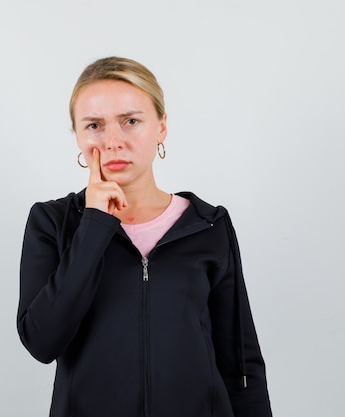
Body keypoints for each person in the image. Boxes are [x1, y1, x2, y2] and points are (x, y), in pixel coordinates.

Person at [17, 56, 272, 417]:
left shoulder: (209, 225)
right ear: (77, 134)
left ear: (161, 128)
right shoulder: (52, 222)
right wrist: (93, 225)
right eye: (94, 125)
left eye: (131, 121)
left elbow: (241, 364)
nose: (113, 141)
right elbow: (42, 341)